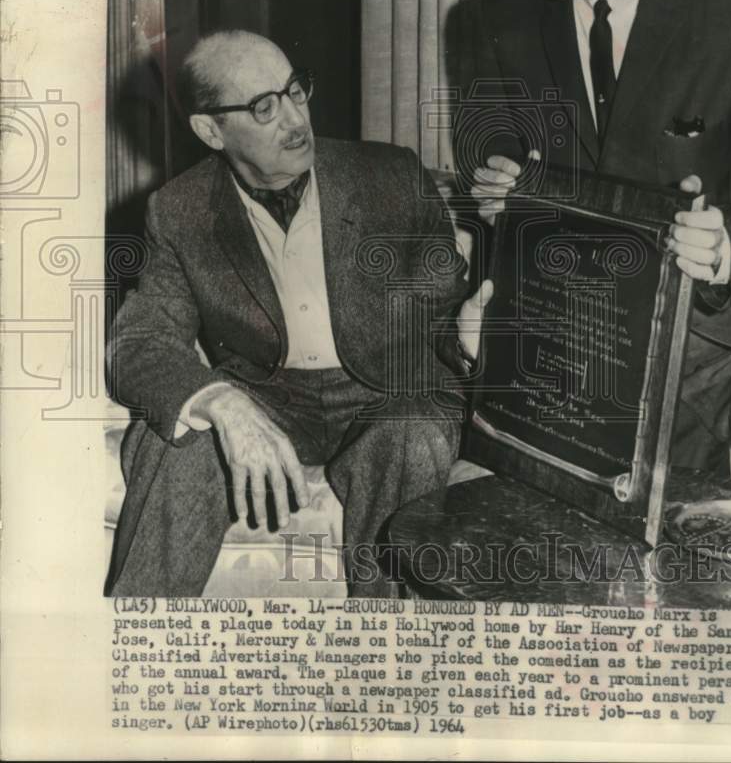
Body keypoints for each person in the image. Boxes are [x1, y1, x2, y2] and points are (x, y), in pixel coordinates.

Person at [106, 30, 489, 597]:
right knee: (172, 440)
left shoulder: (389, 176)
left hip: (387, 395)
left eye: (294, 91)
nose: (293, 119)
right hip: (266, 397)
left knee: (413, 435)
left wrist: (466, 339)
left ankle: (386, 662)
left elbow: (442, 312)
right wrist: (219, 402)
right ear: (211, 130)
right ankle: (130, 659)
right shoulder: (178, 210)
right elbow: (139, 341)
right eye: (264, 106)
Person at [456, 0, 731, 470]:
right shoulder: (499, 17)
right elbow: (505, 164)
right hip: (579, 325)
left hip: (728, 332)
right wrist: (503, 196)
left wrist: (726, 248)